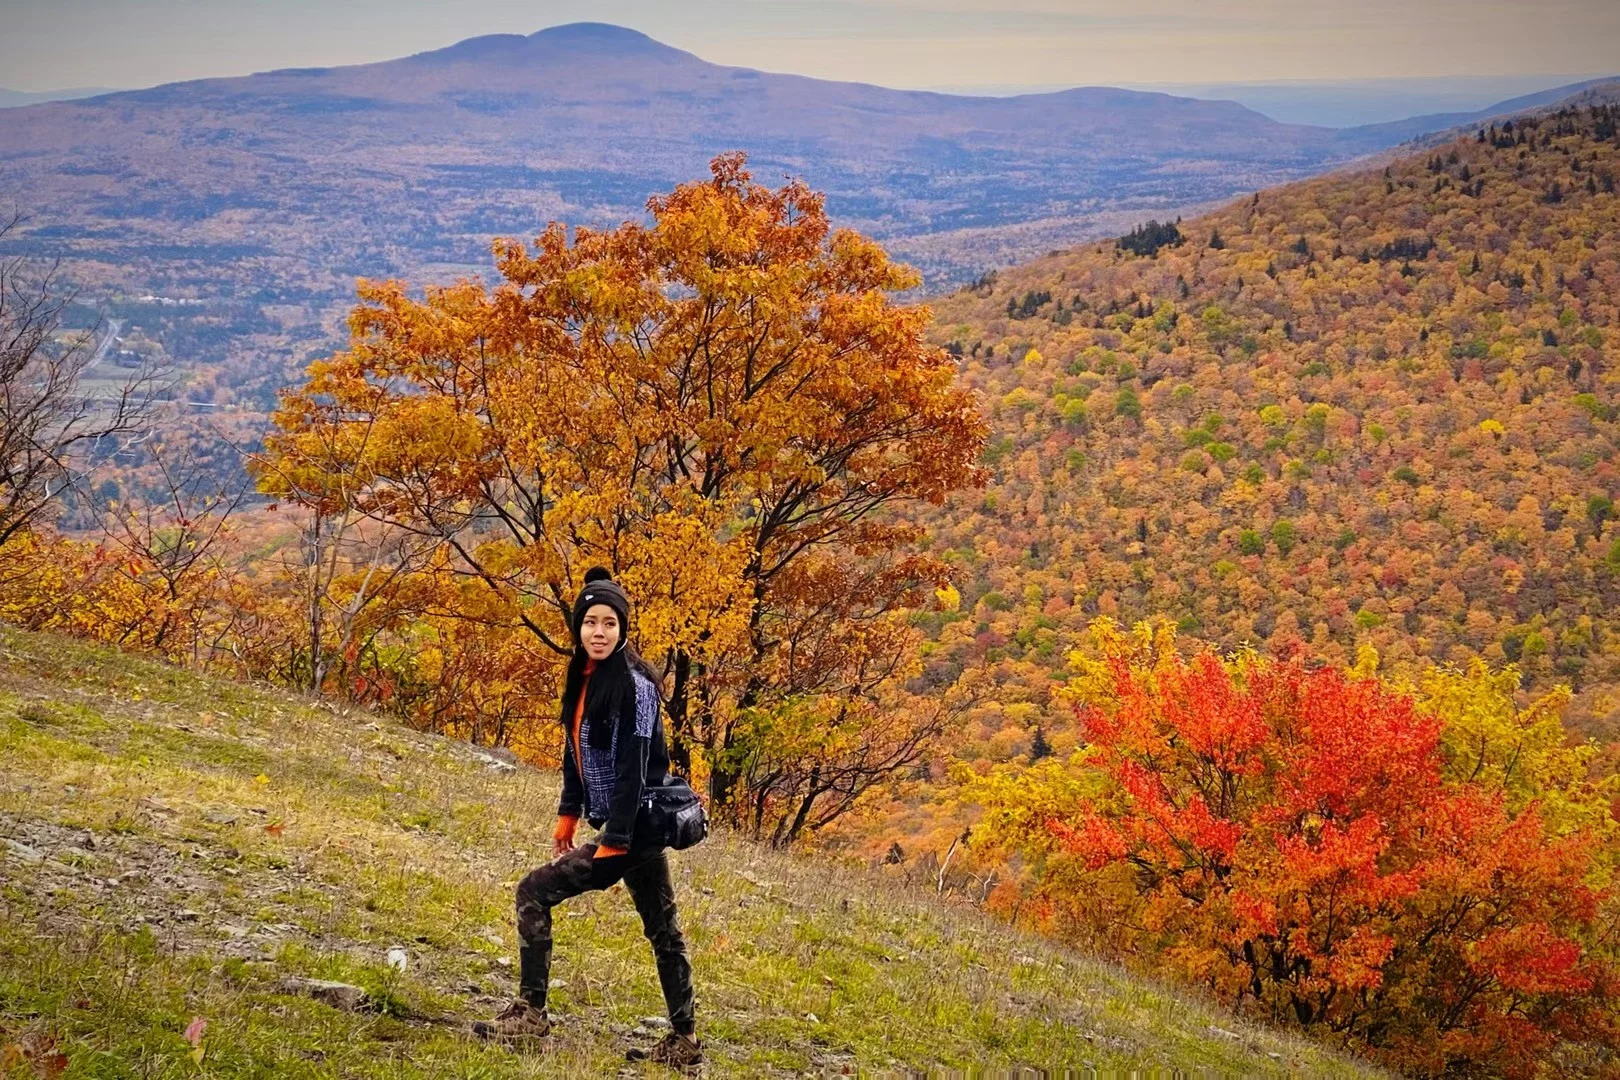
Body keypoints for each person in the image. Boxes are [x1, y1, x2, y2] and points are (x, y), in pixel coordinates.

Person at [473, 567, 702, 1068]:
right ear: (578, 627)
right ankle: (684, 1041)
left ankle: (530, 1014)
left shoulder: (636, 685)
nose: (599, 632)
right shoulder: (582, 676)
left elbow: (635, 765)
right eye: (590, 622)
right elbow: (574, 750)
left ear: (623, 630)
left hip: (635, 825)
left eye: (609, 624)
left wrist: (615, 838)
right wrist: (568, 812)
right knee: (664, 929)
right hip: (626, 826)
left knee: (533, 891)